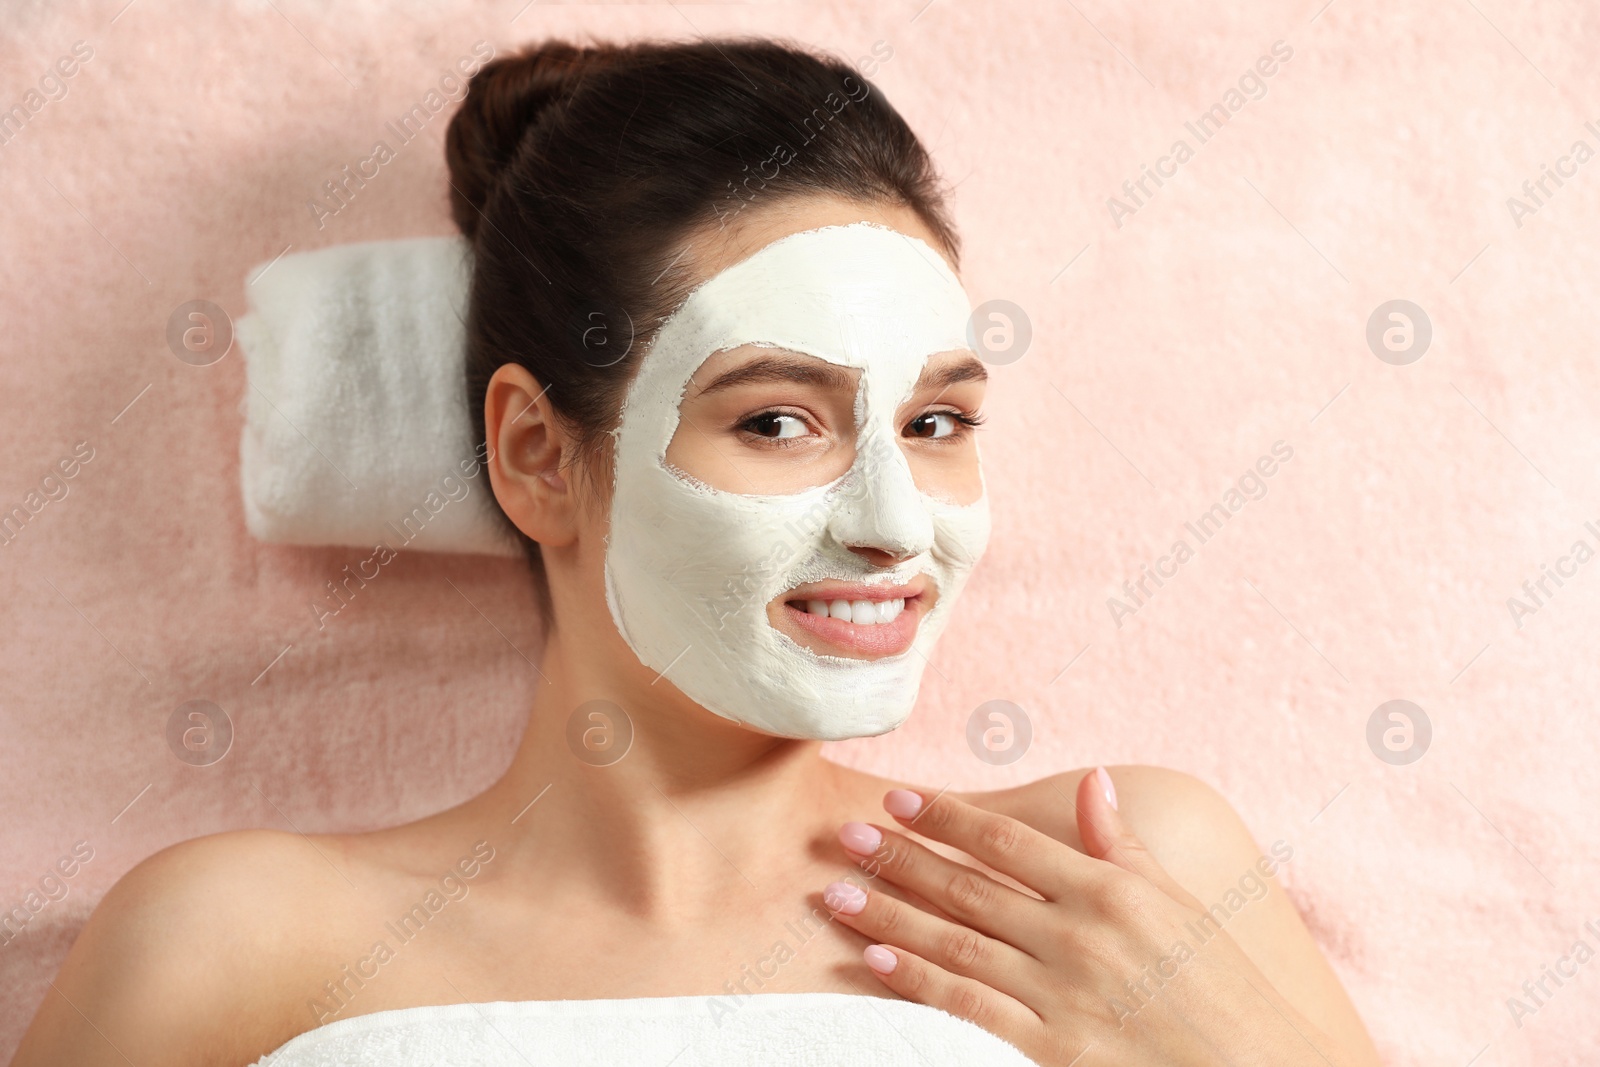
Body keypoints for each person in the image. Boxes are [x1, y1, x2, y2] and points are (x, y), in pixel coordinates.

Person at [11, 37, 1381, 1066]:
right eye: (780, 420)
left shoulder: (1114, 881)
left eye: (939, 420)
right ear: (539, 456)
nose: (895, 523)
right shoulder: (232, 941)